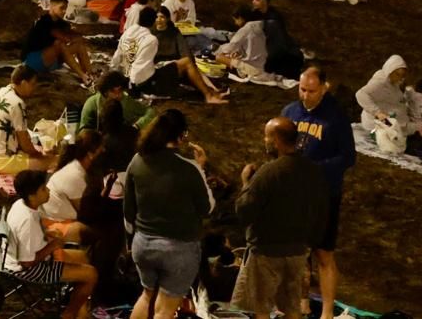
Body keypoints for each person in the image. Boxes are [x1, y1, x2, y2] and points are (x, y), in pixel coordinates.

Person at [232, 118, 329, 319]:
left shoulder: (268, 172)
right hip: (297, 253)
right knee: (292, 309)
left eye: (267, 136)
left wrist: (245, 183)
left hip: (267, 253)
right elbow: (321, 211)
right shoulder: (312, 170)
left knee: (261, 309)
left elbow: (244, 211)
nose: (264, 140)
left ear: (275, 140)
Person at [122, 109, 213, 319]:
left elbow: (128, 208)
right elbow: (205, 208)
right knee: (164, 310)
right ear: (182, 136)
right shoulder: (189, 168)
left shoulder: (137, 160)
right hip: (179, 250)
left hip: (143, 244)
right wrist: (201, 169)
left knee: (146, 297)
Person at [281, 67, 355, 317]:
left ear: (324, 87)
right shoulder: (290, 112)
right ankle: (299, 302)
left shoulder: (336, 118)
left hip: (324, 197)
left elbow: (348, 157)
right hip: (294, 196)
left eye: (312, 91)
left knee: (324, 254)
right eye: (302, 89)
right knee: (296, 252)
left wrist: (315, 170)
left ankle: (326, 312)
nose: (306, 95)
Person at [0, 169, 98, 319]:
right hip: (26, 268)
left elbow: (27, 236)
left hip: (11, 257)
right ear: (32, 195)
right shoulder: (28, 221)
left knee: (82, 257)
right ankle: (69, 314)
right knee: (91, 275)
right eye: (43, 189)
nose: (48, 190)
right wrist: (53, 246)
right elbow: (26, 262)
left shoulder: (20, 204)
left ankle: (79, 307)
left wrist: (46, 232)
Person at [115, 9, 225, 105]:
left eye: (162, 17)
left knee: (187, 64)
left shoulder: (129, 32)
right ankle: (208, 96)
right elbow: (141, 68)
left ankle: (210, 91)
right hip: (145, 83)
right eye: (157, 17)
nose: (159, 20)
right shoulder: (150, 39)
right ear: (153, 21)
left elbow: (119, 56)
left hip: (130, 78)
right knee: (186, 63)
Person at [0, 66, 53, 173]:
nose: (34, 88)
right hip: (1, 161)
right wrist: (39, 156)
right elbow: (25, 144)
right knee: (54, 161)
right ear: (24, 83)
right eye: (32, 84)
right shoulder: (17, 103)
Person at [41, 130, 105, 225]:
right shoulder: (75, 175)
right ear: (90, 154)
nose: (104, 151)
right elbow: (87, 213)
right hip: (60, 224)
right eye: (101, 149)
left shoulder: (80, 168)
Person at [22, 0, 93, 81]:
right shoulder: (44, 21)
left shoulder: (61, 23)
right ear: (52, 6)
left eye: (65, 9)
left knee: (79, 46)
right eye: (61, 8)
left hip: (51, 61)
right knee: (59, 43)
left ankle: (89, 74)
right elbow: (65, 38)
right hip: (33, 61)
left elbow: (75, 36)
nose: (64, 11)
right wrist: (74, 37)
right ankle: (83, 76)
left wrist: (77, 36)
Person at [78, 71, 155, 131]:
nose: (118, 95)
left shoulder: (126, 100)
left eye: (120, 90)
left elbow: (150, 112)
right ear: (105, 92)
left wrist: (137, 125)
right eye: (113, 91)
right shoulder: (92, 104)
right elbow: (84, 132)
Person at [213, 6, 269, 80]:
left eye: (236, 20)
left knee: (219, 57)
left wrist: (222, 54)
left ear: (241, 18)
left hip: (256, 68)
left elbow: (230, 47)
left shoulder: (245, 29)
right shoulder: (263, 24)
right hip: (269, 64)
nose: (235, 23)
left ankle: (236, 71)